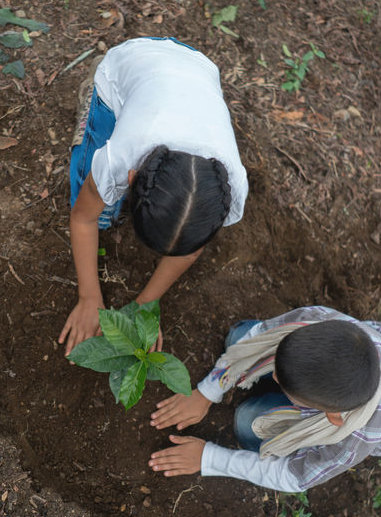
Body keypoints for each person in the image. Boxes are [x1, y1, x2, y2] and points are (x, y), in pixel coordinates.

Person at [58, 37, 248, 355]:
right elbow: (82, 217)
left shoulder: (232, 186)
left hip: (196, 67)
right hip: (127, 67)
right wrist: (89, 296)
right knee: (90, 185)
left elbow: (189, 251)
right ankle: (92, 83)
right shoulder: (122, 156)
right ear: (132, 179)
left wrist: (146, 303)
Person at [147, 306, 381, 492]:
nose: (276, 378)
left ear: (329, 416)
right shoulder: (323, 319)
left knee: (247, 423)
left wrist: (210, 458)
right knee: (239, 338)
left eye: (283, 383)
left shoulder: (353, 438)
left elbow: (293, 476)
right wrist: (207, 392)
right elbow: (261, 334)